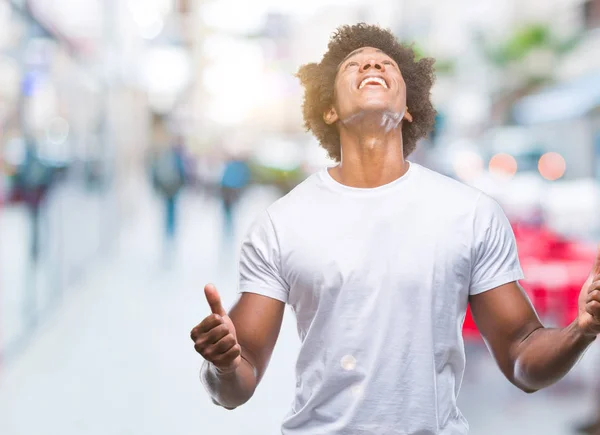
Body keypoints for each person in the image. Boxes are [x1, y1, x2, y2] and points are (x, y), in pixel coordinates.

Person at [190, 23, 600, 434]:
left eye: (387, 64)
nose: (372, 63)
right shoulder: (280, 224)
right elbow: (237, 383)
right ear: (329, 109)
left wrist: (579, 330)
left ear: (408, 107)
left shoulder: (471, 213)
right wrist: (221, 365)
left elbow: (521, 356)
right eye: (355, 64)